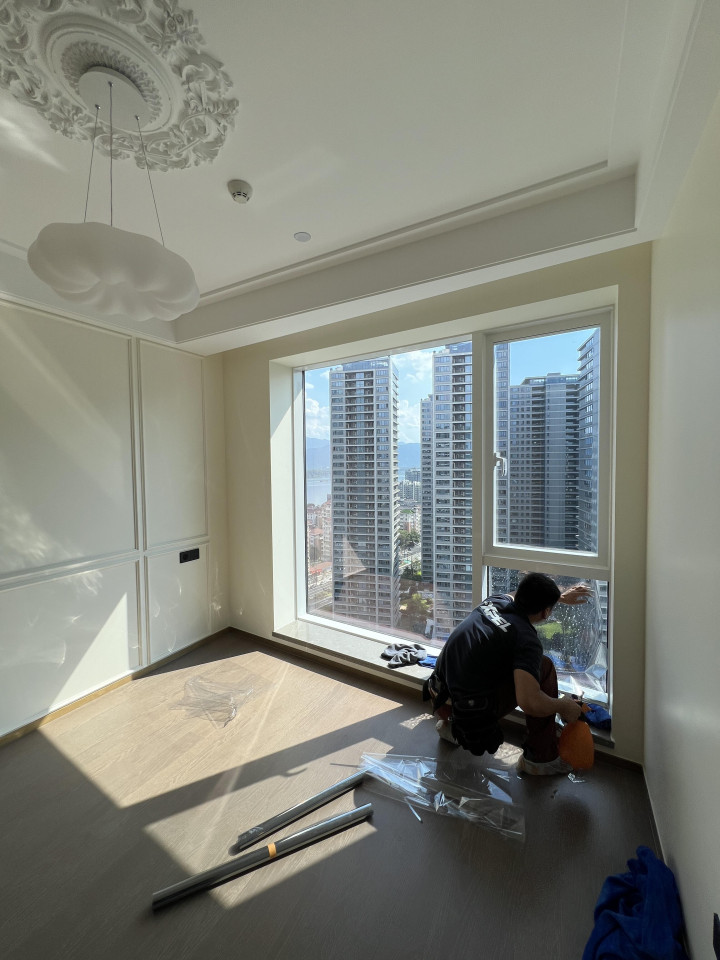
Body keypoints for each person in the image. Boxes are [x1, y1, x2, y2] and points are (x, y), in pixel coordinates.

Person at [423, 573, 591, 775]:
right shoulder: (527, 639)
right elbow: (529, 702)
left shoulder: (495, 601)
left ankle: (451, 729)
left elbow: (516, 594)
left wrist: (559, 597)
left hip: (438, 697)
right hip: (466, 713)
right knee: (543, 667)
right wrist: (563, 705)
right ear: (546, 613)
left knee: (488, 664)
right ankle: (540, 759)